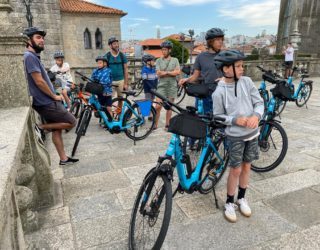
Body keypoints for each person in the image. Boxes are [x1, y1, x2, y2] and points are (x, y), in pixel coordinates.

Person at [212, 50, 264, 223]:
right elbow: (218, 116)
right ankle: (229, 201)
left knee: (247, 167)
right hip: (235, 136)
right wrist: (234, 120)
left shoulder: (247, 82)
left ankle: (242, 198)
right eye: (239, 66)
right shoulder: (218, 92)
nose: (242, 69)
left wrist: (256, 116)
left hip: (252, 134)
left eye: (243, 65)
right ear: (226, 69)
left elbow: (259, 102)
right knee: (235, 169)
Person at [23, 27, 78, 165]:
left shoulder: (33, 56)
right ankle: (40, 127)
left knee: (57, 129)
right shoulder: (29, 56)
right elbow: (39, 81)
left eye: (42, 38)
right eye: (38, 37)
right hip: (46, 102)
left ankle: (63, 159)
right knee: (72, 122)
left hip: (44, 101)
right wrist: (54, 96)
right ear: (28, 40)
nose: (42, 40)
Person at [179, 28, 225, 113]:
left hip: (222, 93)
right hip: (205, 94)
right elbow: (195, 76)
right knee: (204, 120)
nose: (221, 42)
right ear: (210, 42)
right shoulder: (201, 57)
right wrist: (186, 80)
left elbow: (233, 74)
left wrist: (224, 79)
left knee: (220, 121)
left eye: (221, 39)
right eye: (217, 39)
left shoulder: (225, 55)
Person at [155, 40, 180, 130]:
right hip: (161, 85)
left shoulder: (175, 60)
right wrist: (170, 72)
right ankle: (155, 124)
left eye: (165, 49)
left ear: (169, 50)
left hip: (172, 85)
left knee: (169, 106)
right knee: (158, 106)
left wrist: (165, 72)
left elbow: (177, 72)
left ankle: (167, 124)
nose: (163, 51)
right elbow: (158, 73)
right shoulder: (158, 60)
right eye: (162, 50)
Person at [105, 36, 128, 111]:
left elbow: (126, 69)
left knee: (120, 98)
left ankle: (119, 113)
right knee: (108, 99)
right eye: (114, 44)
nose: (116, 45)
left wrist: (126, 83)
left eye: (117, 43)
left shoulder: (122, 55)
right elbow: (104, 69)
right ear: (110, 45)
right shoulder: (107, 56)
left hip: (121, 80)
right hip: (110, 81)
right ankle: (109, 115)